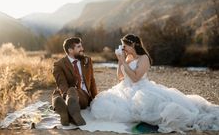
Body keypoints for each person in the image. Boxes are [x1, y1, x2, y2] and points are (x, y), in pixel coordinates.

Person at [90, 34, 219, 133]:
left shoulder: (144, 58)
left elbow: (135, 78)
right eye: (122, 46)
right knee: (102, 103)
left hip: (141, 88)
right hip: (124, 88)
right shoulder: (127, 58)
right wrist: (120, 61)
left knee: (147, 107)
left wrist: (123, 62)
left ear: (133, 45)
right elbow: (120, 77)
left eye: (125, 45)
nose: (123, 48)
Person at [52, 37, 97, 126]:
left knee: (72, 91)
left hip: (83, 95)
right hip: (65, 92)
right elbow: (61, 82)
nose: (82, 49)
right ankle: (66, 111)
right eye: (79, 47)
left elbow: (92, 81)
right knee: (57, 95)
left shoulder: (87, 60)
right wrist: (65, 95)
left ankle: (67, 111)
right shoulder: (59, 65)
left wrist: (96, 98)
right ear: (70, 50)